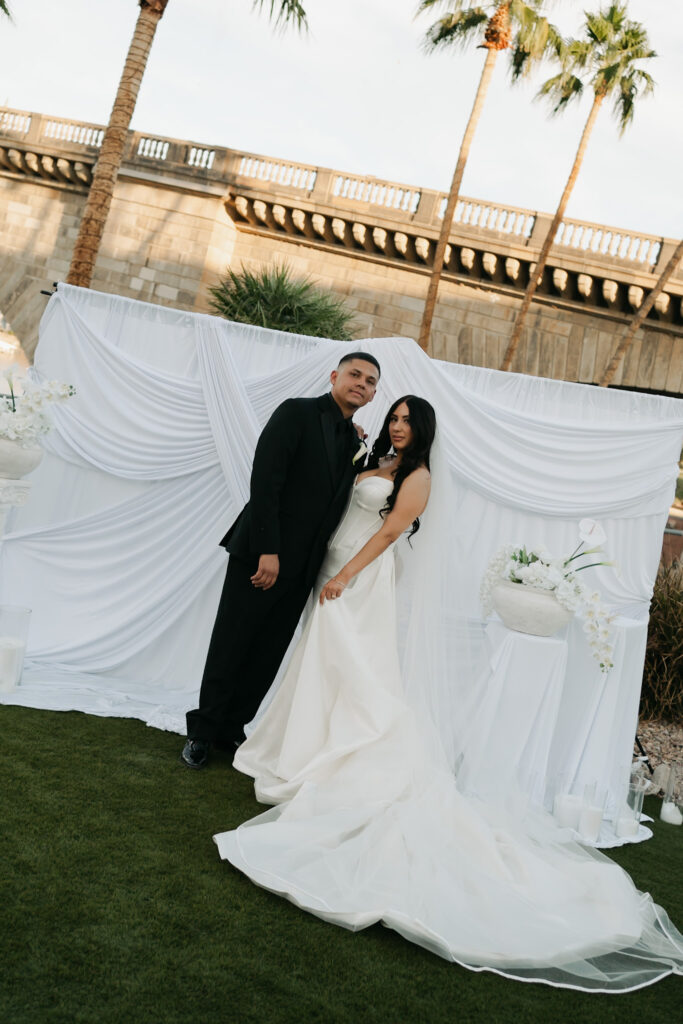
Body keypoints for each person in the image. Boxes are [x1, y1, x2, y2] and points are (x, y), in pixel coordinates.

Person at [214, 396, 683, 993]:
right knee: (321, 666)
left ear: (424, 430)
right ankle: (300, 744)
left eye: (409, 420)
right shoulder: (376, 457)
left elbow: (388, 531)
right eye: (396, 417)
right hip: (330, 567)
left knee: (358, 672)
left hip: (357, 577)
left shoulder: (420, 476)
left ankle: (344, 751)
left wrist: (345, 574)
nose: (398, 425)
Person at [181, 352, 380, 769]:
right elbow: (265, 481)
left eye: (370, 381)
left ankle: (232, 729)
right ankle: (201, 732)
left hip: (306, 567)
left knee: (268, 652)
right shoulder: (296, 412)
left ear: (374, 393)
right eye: (354, 374)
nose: (361, 383)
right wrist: (267, 550)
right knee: (232, 642)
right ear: (334, 376)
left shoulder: (353, 439)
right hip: (261, 553)